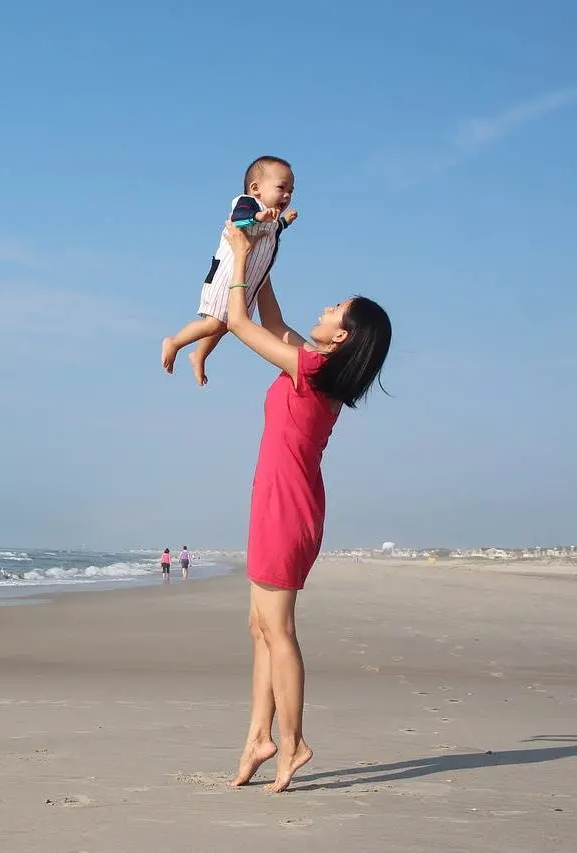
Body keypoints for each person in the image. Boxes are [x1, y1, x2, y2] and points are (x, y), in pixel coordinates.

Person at [219, 219, 392, 793]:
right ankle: (257, 739)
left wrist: (240, 257)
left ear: (342, 336)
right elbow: (270, 318)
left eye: (334, 308)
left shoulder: (313, 369)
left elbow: (240, 321)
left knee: (279, 629)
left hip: (287, 507)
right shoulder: (313, 366)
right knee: (259, 627)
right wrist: (266, 246)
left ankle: (292, 742)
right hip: (278, 499)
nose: (323, 308)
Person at [161, 156, 298, 386]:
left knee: (224, 325)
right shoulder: (247, 203)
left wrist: (285, 222)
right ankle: (174, 342)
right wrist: (257, 217)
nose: (287, 195)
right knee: (214, 323)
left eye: (291, 190)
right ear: (255, 188)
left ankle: (199, 355)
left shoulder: (271, 217)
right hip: (227, 275)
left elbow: (273, 230)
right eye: (281, 188)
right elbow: (239, 219)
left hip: (248, 280)